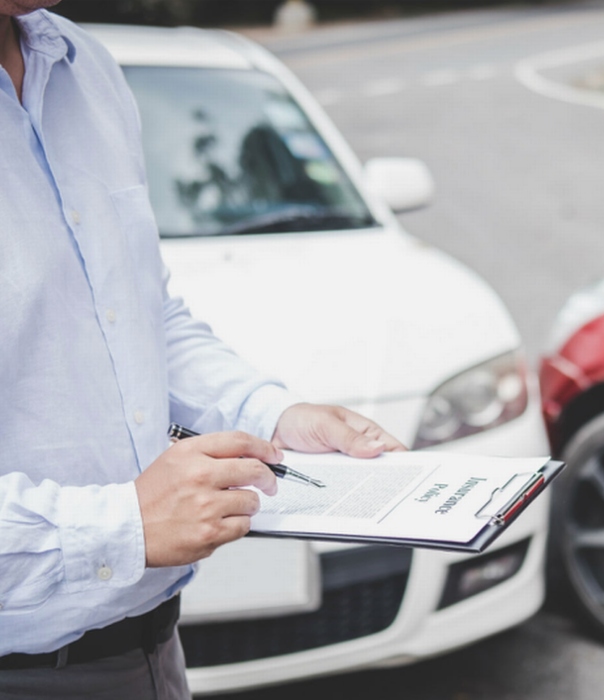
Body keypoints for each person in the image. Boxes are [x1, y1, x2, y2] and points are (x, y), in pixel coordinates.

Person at [0, 2, 404, 698]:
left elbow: (136, 314)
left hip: (152, 646)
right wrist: (122, 527)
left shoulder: (82, 67)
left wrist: (270, 414)